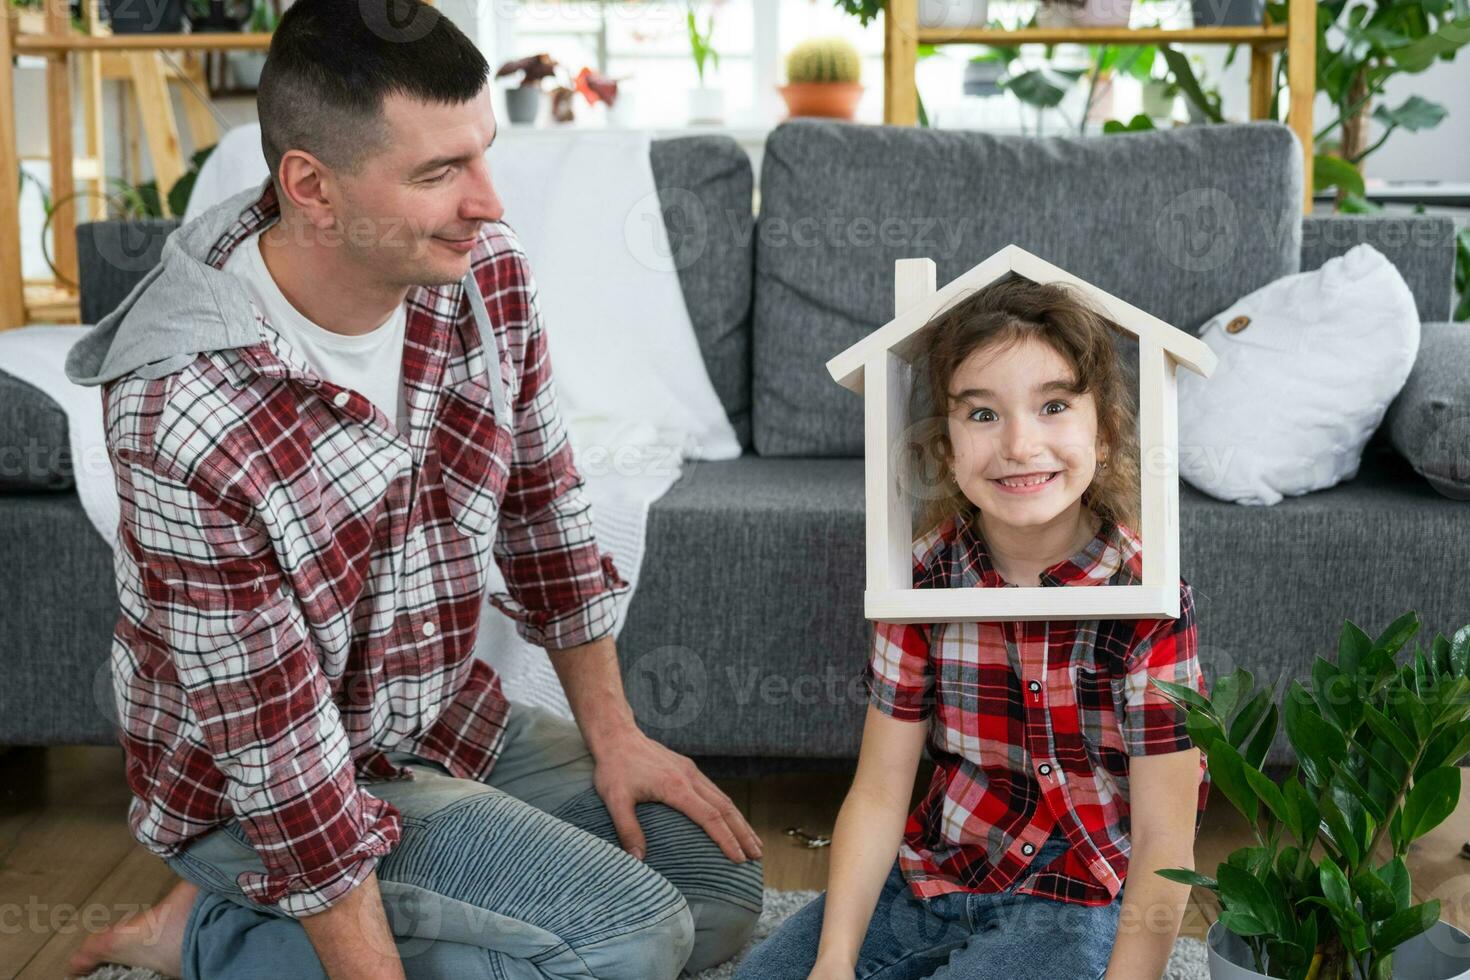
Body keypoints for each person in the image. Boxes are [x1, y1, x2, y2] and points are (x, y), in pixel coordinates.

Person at [60, 1, 762, 977]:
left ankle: (213, 924)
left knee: (718, 895)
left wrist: (617, 735)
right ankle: (219, 929)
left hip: (430, 723)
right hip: (256, 794)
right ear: (312, 186)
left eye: (482, 153)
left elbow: (543, 510)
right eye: (439, 173)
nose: (489, 201)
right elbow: (277, 752)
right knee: (632, 935)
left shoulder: (482, 274)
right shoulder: (185, 407)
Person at [734, 276, 1210, 980]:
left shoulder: (1143, 595)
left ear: (1104, 433)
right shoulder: (922, 578)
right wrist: (832, 962)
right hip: (938, 870)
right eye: (982, 415)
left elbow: (1166, 836)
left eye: (1053, 407)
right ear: (949, 448)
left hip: (1072, 894)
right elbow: (880, 787)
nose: (1020, 445)